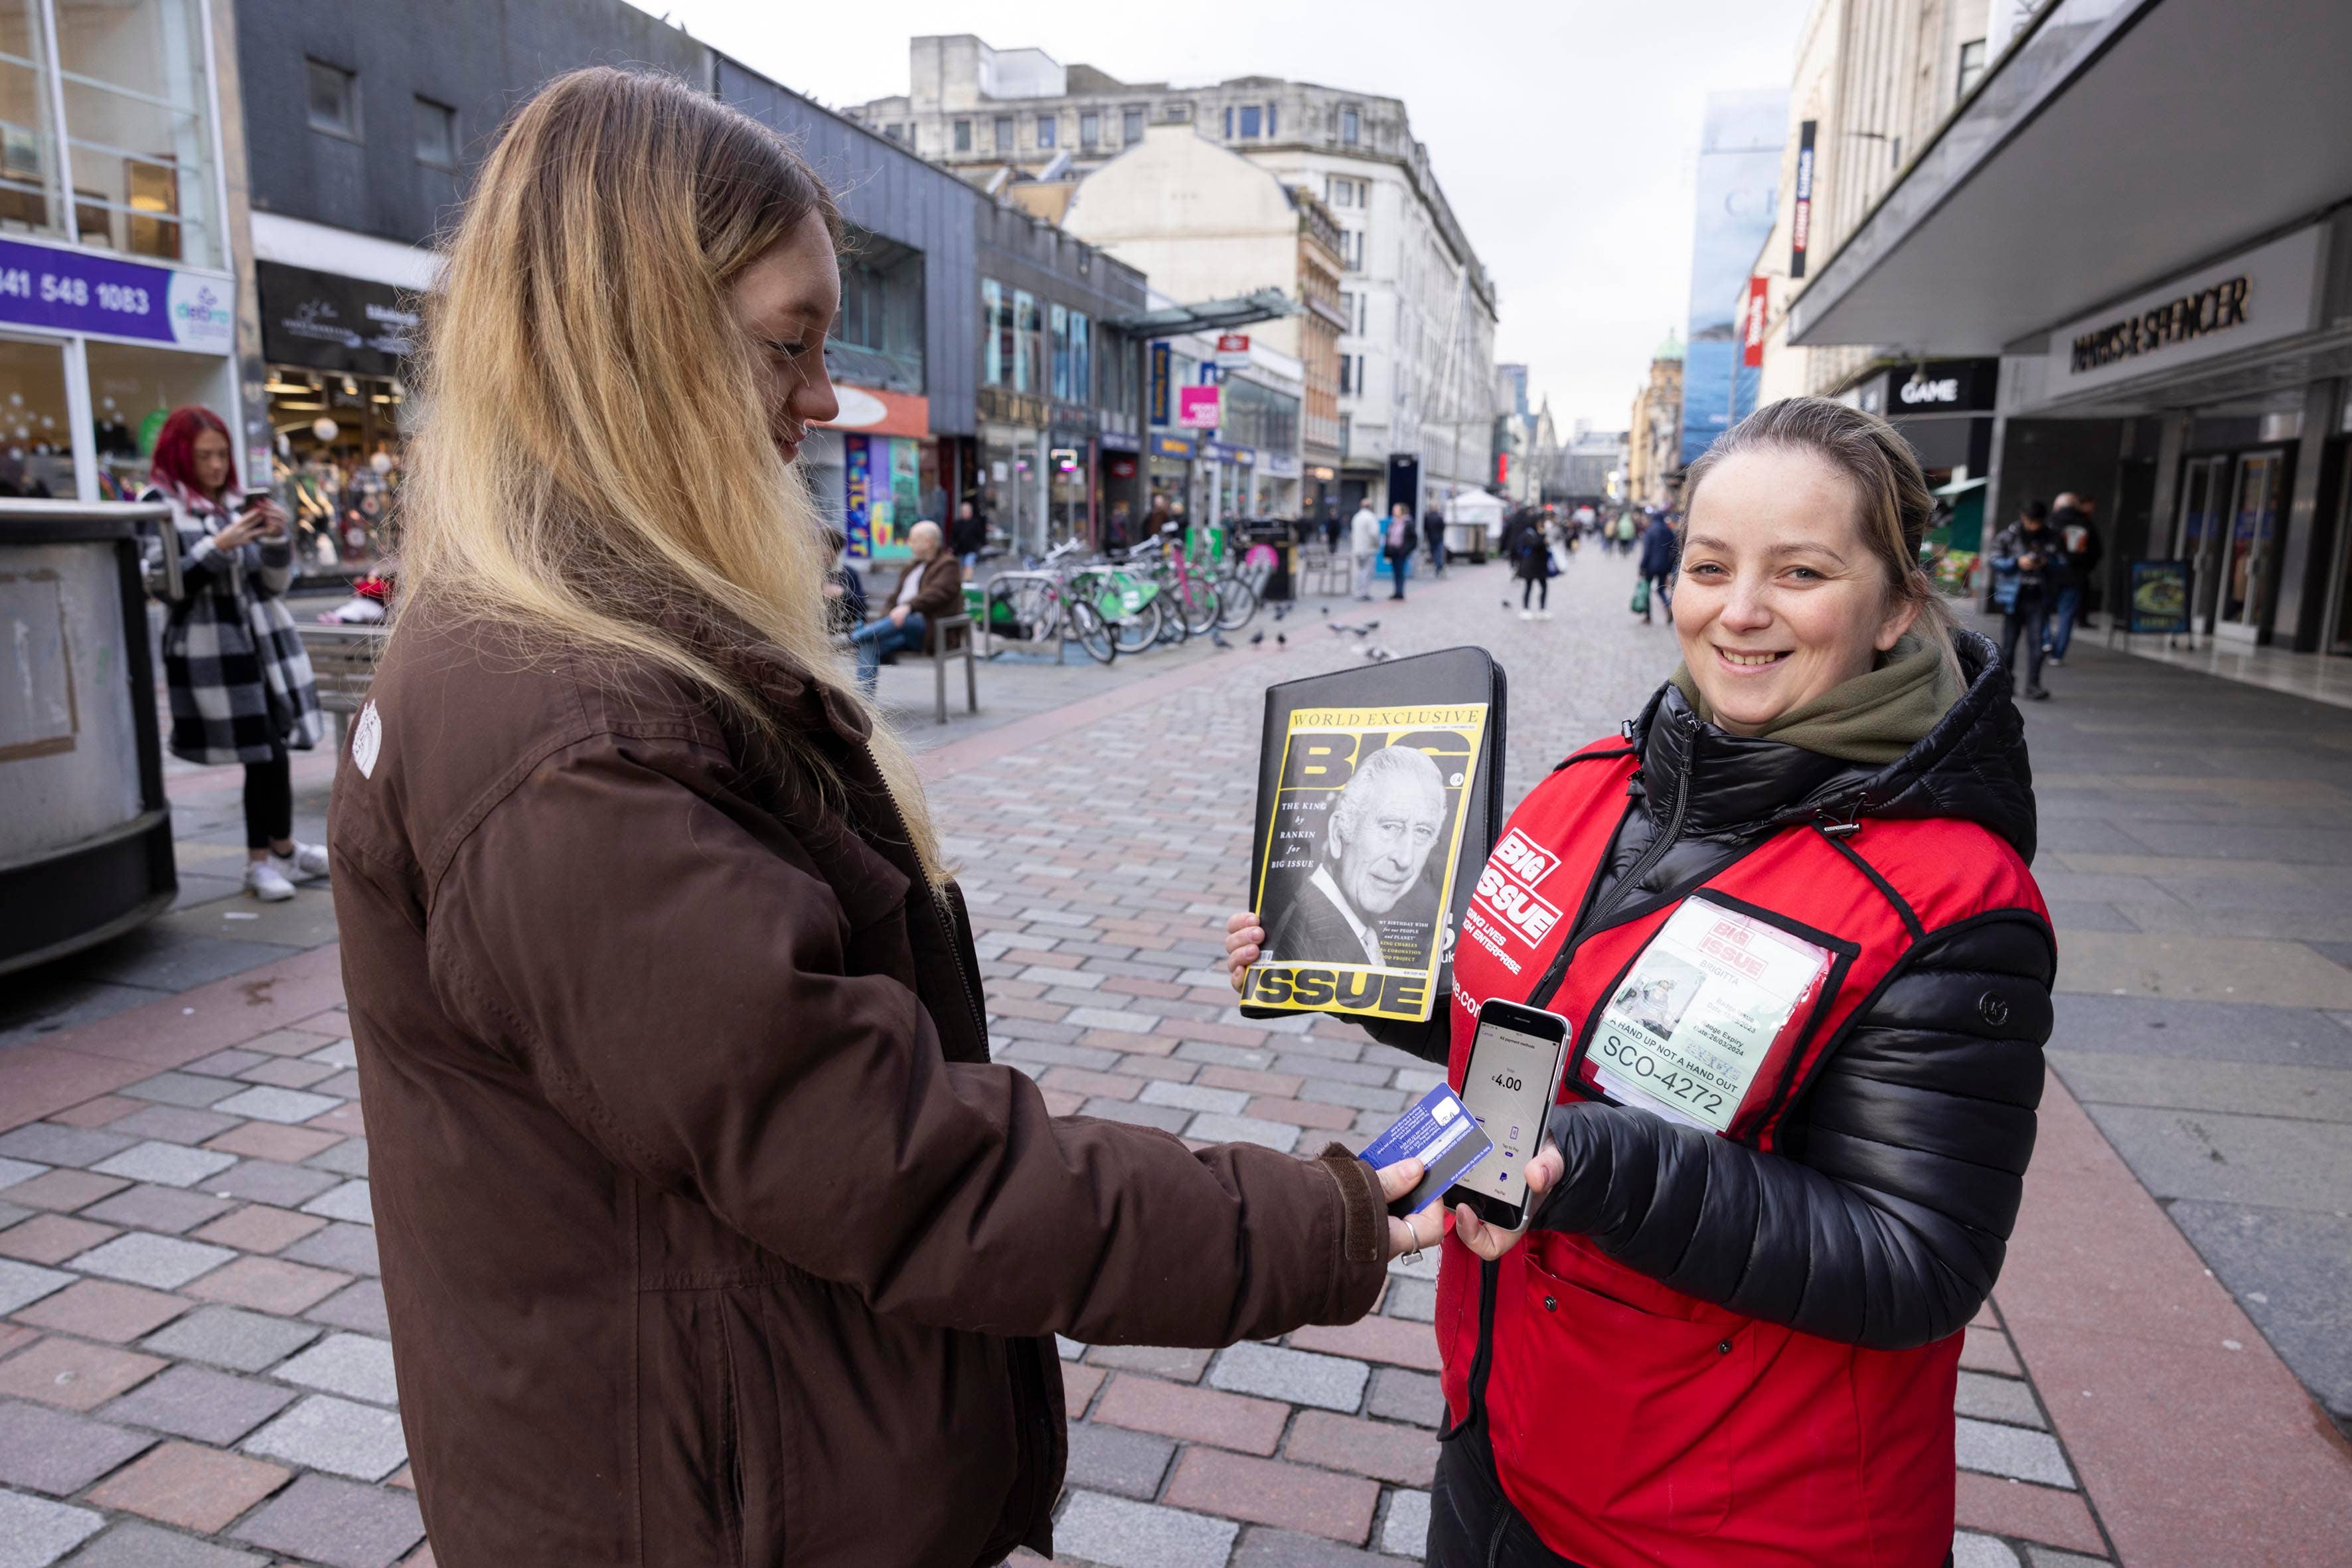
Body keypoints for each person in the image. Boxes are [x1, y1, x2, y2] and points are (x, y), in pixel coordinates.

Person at [330, 71, 1433, 1568]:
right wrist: (1315, 1221)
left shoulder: (569, 647)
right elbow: (893, 1157)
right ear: (632, 338)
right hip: (707, 1502)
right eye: (785, 345)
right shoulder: (569, 727)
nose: (815, 400)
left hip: (717, 1449)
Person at [1223, 394, 2054, 1568]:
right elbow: (1533, 1030)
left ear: (1895, 606)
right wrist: (1351, 970)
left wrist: (1594, 1159)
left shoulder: (1951, 898)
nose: (1740, 610)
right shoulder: (1593, 784)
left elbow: (1913, 1257)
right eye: (1709, 565)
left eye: (1802, 570)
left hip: (1732, 1520)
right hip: (1505, 1434)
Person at [142, 407, 327, 902]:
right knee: (261, 750)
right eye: (205, 456)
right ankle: (260, 862)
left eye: (223, 454)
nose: (217, 466)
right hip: (212, 653)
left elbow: (273, 584)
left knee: (272, 748)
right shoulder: (159, 505)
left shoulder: (233, 504)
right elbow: (163, 586)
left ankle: (282, 849)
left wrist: (276, 537)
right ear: (182, 455)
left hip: (263, 646)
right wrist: (216, 546)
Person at [1265, 745, 1447, 965]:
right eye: (1389, 826)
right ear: (1338, 834)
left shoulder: (1359, 927)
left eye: (1422, 832)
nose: (1405, 859)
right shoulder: (1301, 943)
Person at [848, 519, 962, 694]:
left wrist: (908, 607)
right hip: (900, 628)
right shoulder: (912, 567)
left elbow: (937, 593)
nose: (910, 544)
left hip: (929, 630)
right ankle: (863, 705)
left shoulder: (948, 565)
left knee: (903, 619)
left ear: (929, 542)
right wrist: (891, 614)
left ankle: (854, 637)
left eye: (914, 540)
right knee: (869, 642)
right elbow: (894, 600)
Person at [1991, 499, 2065, 699]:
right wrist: (2017, 563)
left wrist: (2045, 563)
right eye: (2030, 521)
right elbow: (1994, 560)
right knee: (2008, 645)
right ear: (2023, 518)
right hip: (2013, 597)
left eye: (2037, 522)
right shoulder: (2009, 537)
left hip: (2040, 597)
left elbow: (2062, 564)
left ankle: (2033, 684)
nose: (2033, 526)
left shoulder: (2052, 538)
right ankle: (2007, 683)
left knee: (2037, 644)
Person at [2045, 492, 2102, 663]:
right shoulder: (2086, 523)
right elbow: (2097, 551)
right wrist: (2084, 568)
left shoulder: (2050, 521)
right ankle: (2058, 655)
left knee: (2042, 611)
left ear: (2058, 505)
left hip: (2050, 575)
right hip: (2076, 576)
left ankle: (2046, 641)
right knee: (2067, 616)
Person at [821, 526, 865, 635]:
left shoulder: (848, 573)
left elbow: (861, 608)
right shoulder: (810, 574)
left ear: (838, 552)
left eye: (830, 551)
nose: (824, 556)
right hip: (816, 633)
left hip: (843, 631)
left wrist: (842, 593)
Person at [1636, 507, 1679, 623]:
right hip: (1664, 566)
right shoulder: (1668, 531)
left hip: (1650, 566)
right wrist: (1670, 565)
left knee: (1647, 590)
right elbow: (1675, 550)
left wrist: (1642, 566)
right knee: (1661, 590)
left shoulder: (1650, 531)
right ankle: (1668, 607)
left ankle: (1648, 616)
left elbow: (1647, 551)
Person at [1510, 507, 1551, 620]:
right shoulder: (1529, 533)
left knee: (1544, 586)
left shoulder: (1538, 532)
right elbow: (1536, 545)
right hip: (1530, 566)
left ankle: (1542, 609)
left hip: (1541, 565)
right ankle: (1526, 609)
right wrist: (1542, 536)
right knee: (1529, 586)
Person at [1350, 496, 1383, 600]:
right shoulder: (1371, 517)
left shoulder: (1356, 517)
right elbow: (1375, 534)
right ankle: (1363, 592)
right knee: (1367, 571)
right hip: (1368, 549)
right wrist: (1377, 544)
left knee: (1360, 571)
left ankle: (1358, 591)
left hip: (1357, 549)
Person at [1385, 501, 1415, 599]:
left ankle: (1400, 591)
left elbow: (1413, 539)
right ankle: (1397, 591)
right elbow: (1388, 536)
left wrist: (1406, 550)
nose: (1394, 511)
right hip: (1393, 550)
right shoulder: (1393, 522)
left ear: (1402, 511)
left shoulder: (1408, 523)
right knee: (1395, 572)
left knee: (1400, 571)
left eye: (1396, 509)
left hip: (1401, 551)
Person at [949, 497, 986, 575]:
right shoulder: (957, 524)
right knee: (961, 567)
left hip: (971, 549)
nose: (965, 513)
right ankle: (963, 582)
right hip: (960, 550)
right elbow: (953, 536)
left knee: (969, 564)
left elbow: (980, 536)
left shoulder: (975, 523)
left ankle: (967, 581)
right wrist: (952, 546)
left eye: (967, 511)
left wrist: (980, 546)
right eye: (964, 511)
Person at [1423, 502, 1448, 578]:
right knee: (1439, 553)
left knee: (1433, 552)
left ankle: (1437, 565)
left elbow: (1425, 528)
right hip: (1439, 537)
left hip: (1430, 537)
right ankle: (1439, 567)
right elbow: (1443, 526)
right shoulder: (1439, 517)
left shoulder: (1427, 517)